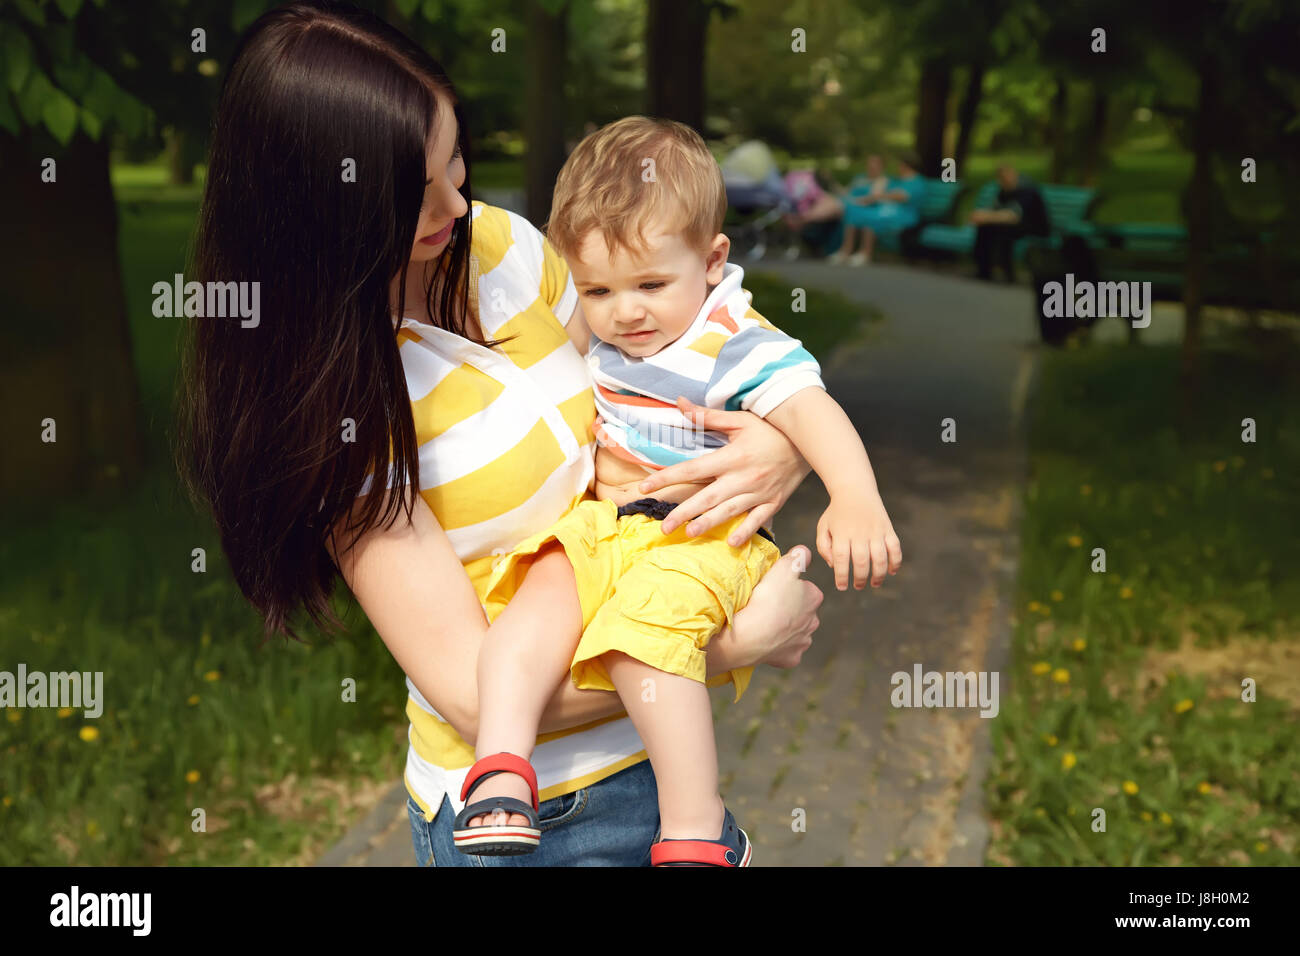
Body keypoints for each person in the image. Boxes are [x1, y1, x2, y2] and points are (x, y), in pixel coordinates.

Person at [177, 0, 823, 868]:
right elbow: (473, 695)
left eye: (456, 162)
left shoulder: (499, 247)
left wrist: (782, 441)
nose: (456, 202)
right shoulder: (335, 413)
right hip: (539, 819)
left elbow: (664, 361)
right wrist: (730, 645)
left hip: (656, 762)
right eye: (417, 191)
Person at [456, 116, 902, 866]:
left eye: (651, 285)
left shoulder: (732, 337)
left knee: (644, 639)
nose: (625, 312)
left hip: (703, 535)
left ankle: (698, 826)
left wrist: (853, 496)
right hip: (614, 525)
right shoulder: (614, 328)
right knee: (534, 599)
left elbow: (811, 410)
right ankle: (501, 771)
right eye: (597, 289)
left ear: (712, 257)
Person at [829, 153, 926, 266]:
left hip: (904, 216)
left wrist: (879, 196)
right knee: (854, 212)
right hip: (887, 211)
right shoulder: (898, 180)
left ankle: (865, 254)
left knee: (871, 218)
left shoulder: (917, 182)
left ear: (905, 166)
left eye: (900, 165)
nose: (898, 167)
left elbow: (901, 196)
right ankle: (845, 251)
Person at [970, 163, 1050, 282]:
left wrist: (986, 216)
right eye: (1001, 179)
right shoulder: (1004, 190)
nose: (1004, 181)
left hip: (1036, 227)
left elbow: (1013, 216)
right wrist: (985, 217)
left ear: (1014, 175)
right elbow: (998, 210)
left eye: (1007, 177)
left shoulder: (1027, 190)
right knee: (985, 228)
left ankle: (1008, 273)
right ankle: (984, 271)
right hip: (1017, 226)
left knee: (1004, 230)